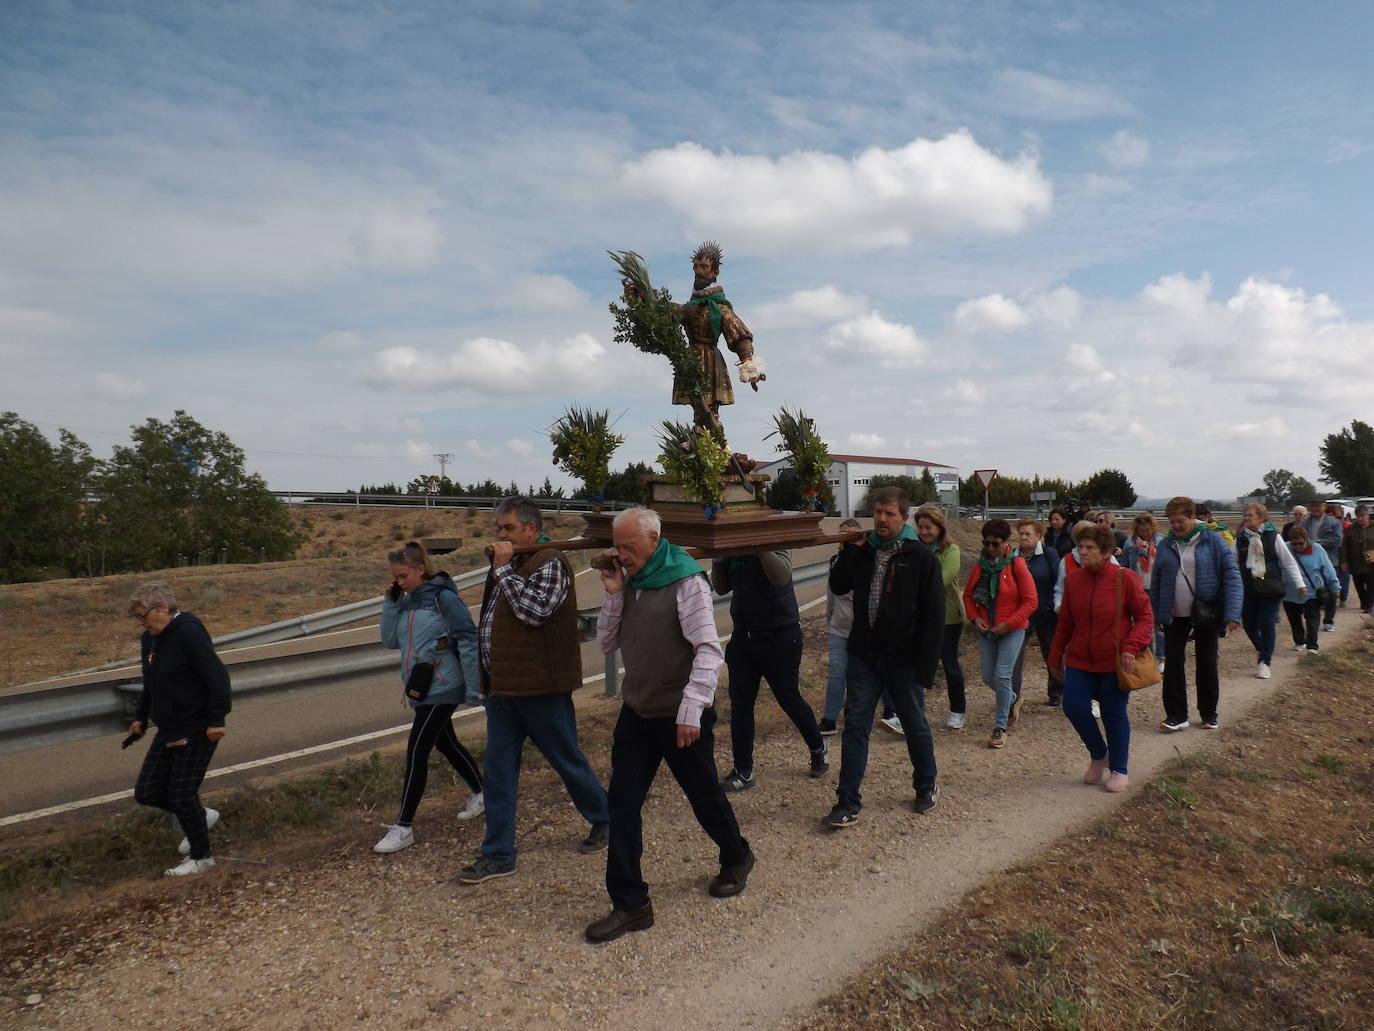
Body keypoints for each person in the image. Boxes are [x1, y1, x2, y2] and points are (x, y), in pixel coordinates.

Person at [586, 508, 753, 944]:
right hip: (638, 711)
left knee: (704, 796)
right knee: (621, 806)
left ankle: (737, 857)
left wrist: (691, 708)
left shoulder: (686, 581)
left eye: (629, 547)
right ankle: (631, 904)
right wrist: (613, 594)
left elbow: (709, 650)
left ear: (654, 539)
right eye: (617, 546)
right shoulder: (630, 583)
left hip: (681, 713)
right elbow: (605, 643)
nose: (621, 556)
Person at [458, 498, 610, 885]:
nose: (501, 535)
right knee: (498, 773)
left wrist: (503, 570)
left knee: (566, 760)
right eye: (499, 529)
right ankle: (498, 854)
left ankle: (606, 821)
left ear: (531, 528)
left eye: (508, 528)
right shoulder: (511, 564)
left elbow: (534, 610)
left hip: (541, 686)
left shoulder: (551, 562)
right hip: (505, 689)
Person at [824, 487, 943, 828]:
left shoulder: (919, 557)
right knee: (856, 727)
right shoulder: (863, 551)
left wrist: (925, 669)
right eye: (877, 512)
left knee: (914, 723)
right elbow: (838, 585)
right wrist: (849, 550)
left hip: (903, 659)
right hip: (863, 655)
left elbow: (934, 616)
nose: (881, 519)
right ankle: (847, 801)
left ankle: (925, 784)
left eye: (889, 513)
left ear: (904, 518)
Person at [374, 541, 483, 854]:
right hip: (423, 688)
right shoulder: (406, 602)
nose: (399, 581)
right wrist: (391, 602)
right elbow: (390, 640)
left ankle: (404, 827)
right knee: (445, 742)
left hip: (444, 686)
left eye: (404, 575)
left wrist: (474, 688)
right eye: (395, 576)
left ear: (421, 569)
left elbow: (467, 639)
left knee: (417, 751)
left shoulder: (442, 597)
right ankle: (481, 792)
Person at [126, 582, 231, 877]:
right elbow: (152, 681)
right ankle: (200, 816)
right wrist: (141, 716)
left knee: (182, 795)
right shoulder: (150, 638)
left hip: (198, 725)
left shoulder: (189, 632)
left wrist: (217, 719)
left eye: (143, 615)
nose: (141, 623)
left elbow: (218, 678)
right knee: (146, 791)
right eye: (137, 618)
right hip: (169, 727)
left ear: (163, 608)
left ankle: (202, 858)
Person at [1047, 523, 1153, 793]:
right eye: (1080, 547)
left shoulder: (1124, 578)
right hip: (1080, 659)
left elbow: (1144, 617)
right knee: (1073, 706)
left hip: (1114, 661)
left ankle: (1119, 768)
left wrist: (1130, 646)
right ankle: (1099, 754)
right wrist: (1055, 654)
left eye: (1090, 548)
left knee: (1113, 713)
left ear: (1106, 552)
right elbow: (1066, 624)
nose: (1082, 552)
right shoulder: (1074, 581)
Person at [712, 549, 829, 791]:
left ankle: (818, 747)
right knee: (741, 704)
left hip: (780, 633)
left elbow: (781, 576)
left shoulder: (773, 538)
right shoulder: (735, 548)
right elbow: (721, 588)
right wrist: (719, 557)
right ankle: (743, 771)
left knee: (788, 697)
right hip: (744, 636)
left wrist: (760, 545)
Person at [1148, 497, 1243, 733]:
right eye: (1172, 522)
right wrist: (1157, 614)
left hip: (1206, 612)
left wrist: (1232, 612)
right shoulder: (1165, 545)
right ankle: (1176, 715)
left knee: (1207, 662)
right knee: (1172, 665)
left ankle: (1209, 713)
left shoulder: (1213, 541)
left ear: (1193, 518)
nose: (1176, 526)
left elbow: (1231, 576)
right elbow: (1157, 581)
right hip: (1174, 614)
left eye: (1181, 521)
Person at [963, 519, 1038, 749]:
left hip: (1012, 629)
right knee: (988, 676)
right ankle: (1014, 699)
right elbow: (968, 595)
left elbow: (1030, 601)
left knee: (1003, 675)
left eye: (995, 544)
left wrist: (1008, 624)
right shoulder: (980, 565)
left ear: (1006, 542)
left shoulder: (1016, 564)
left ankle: (1000, 726)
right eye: (986, 543)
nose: (990, 548)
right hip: (988, 629)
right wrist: (975, 617)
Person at [1235, 502, 1305, 679]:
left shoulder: (1272, 536)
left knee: (1267, 622)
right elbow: (1230, 562)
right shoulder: (1241, 537)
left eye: (1250, 515)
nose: (1246, 518)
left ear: (1260, 517)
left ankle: (1265, 662)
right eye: (1245, 515)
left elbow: (1288, 562)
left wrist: (1300, 584)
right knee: (1249, 623)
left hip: (1270, 587)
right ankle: (1261, 648)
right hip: (1248, 586)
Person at [914, 505, 969, 728]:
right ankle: (911, 713)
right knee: (914, 666)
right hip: (919, 617)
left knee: (949, 663)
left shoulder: (951, 550)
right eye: (921, 527)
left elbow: (943, 579)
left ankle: (958, 709)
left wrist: (911, 586)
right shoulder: (914, 548)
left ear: (939, 528)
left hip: (947, 616)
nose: (925, 531)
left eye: (929, 527)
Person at [819, 518, 864, 736]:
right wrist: (829, 618)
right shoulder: (835, 561)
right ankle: (829, 719)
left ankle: (858, 715)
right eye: (841, 535)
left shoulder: (867, 559)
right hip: (839, 626)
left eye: (849, 535)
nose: (845, 541)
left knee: (860, 674)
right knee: (836, 673)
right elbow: (831, 593)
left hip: (862, 629)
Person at [1011, 518, 1061, 706]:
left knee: (1052, 653)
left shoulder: (1049, 554)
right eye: (1021, 533)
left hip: (1045, 614)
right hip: (1020, 615)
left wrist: (1051, 605)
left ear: (1038, 536)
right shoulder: (1012, 556)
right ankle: (1012, 695)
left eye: (1028, 534)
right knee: (1014, 657)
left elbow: (1058, 580)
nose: (1023, 537)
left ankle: (1057, 691)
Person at [1121, 513, 1166, 672]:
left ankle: (1162, 656)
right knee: (1142, 623)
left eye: (1148, 530)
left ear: (1153, 528)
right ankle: (1147, 655)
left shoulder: (1161, 542)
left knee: (1158, 623)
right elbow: (1125, 565)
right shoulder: (1130, 544)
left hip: (1156, 587)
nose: (1146, 533)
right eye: (1142, 531)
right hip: (1138, 589)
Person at [1284, 525, 1338, 654]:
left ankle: (1312, 646)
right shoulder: (1285, 549)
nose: (1298, 547)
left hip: (1312, 592)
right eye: (1294, 544)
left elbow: (1329, 570)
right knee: (1294, 618)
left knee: (1312, 618)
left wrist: (1335, 588)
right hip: (1290, 593)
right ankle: (1299, 641)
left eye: (1301, 543)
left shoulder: (1317, 550)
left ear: (1306, 539)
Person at [1303, 501, 1343, 632]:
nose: (1315, 509)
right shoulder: (1304, 523)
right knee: (1313, 591)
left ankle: (1328, 620)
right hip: (1310, 562)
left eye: (1318, 506)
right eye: (1313, 506)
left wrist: (1315, 543)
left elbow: (1337, 540)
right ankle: (1313, 620)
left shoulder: (1334, 522)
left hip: (1330, 561)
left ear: (1324, 507)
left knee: (1331, 592)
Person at [1340, 505, 1374, 613]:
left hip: (1372, 564)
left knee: (1371, 585)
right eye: (1358, 516)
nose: (1360, 519)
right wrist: (1344, 561)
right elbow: (1344, 546)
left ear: (1368, 516)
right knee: (1358, 585)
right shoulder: (1350, 529)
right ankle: (1365, 603)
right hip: (1356, 562)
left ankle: (1369, 605)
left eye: (1362, 516)